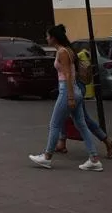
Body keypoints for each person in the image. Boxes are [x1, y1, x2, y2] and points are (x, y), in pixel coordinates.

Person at [29, 24, 104, 172]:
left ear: (54, 38)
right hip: (74, 90)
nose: (46, 39)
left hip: (67, 89)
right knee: (81, 125)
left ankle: (47, 156)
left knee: (55, 124)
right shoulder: (69, 50)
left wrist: (69, 97)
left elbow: (68, 75)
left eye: (48, 36)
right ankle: (94, 158)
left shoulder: (62, 52)